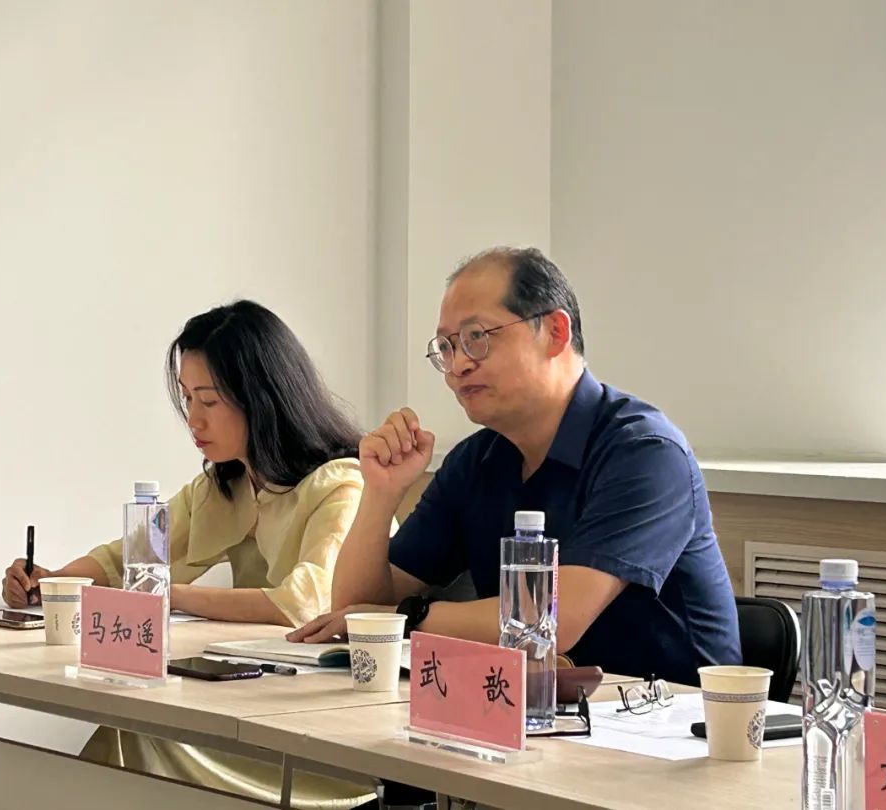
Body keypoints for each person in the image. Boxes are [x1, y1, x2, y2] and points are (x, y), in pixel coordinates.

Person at [291, 247, 742, 686]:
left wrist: (409, 617)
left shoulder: (645, 452)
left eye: (477, 337)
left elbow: (553, 623)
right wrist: (381, 493)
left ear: (556, 332)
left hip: (664, 717)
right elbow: (354, 612)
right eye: (447, 347)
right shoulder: (476, 460)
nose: (458, 366)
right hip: (531, 707)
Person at [1, 300, 375, 809]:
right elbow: (125, 558)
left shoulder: (343, 483)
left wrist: (164, 595)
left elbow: (303, 604)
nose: (193, 419)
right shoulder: (224, 485)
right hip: (251, 700)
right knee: (132, 728)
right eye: (186, 398)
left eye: (210, 401)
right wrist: (52, 584)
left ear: (262, 397)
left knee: (138, 735)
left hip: (325, 728)